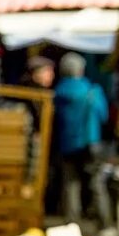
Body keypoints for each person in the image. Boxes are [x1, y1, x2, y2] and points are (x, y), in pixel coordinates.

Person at [46, 52, 107, 220]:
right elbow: (103, 115)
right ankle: (104, 222)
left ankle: (72, 222)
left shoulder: (58, 93)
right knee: (96, 183)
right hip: (90, 142)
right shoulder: (92, 91)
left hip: (67, 144)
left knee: (70, 184)